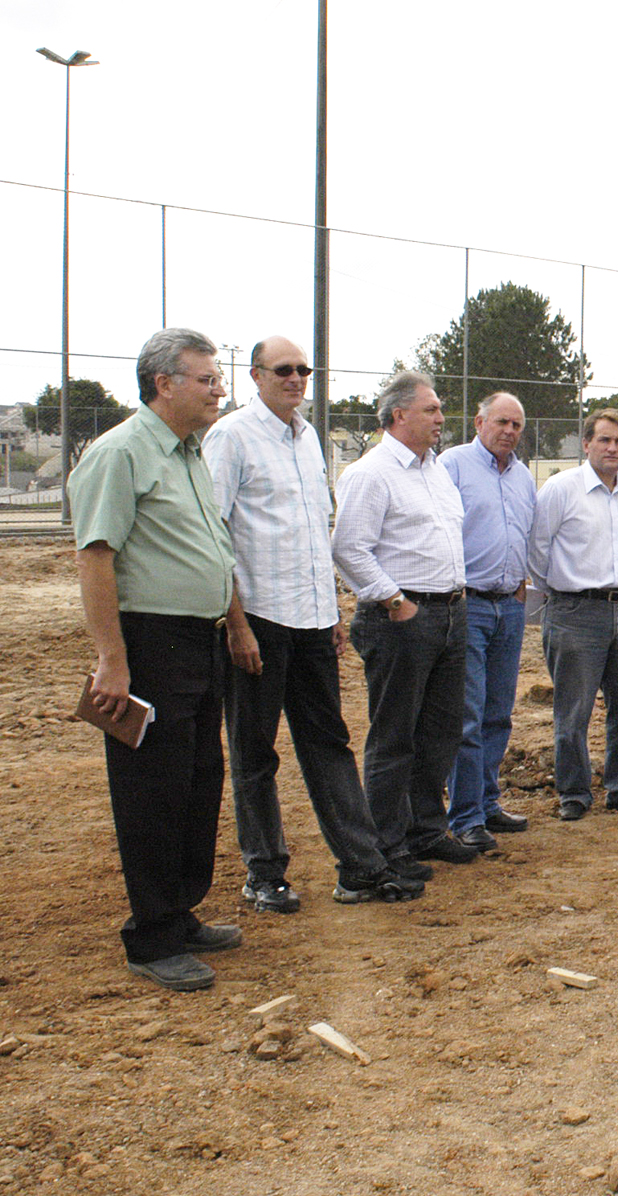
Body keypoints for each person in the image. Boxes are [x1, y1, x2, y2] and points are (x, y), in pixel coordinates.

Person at [205, 336, 422, 910]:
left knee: (329, 744)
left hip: (311, 621)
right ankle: (264, 873)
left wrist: (330, 611)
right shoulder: (231, 437)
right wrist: (236, 625)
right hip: (258, 620)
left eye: (303, 369)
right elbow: (214, 535)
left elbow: (311, 534)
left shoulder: (307, 439)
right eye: (284, 369)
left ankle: (360, 868)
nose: (296, 378)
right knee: (255, 753)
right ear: (256, 375)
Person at [70, 328, 242, 991]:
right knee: (153, 790)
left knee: (199, 779)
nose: (218, 389)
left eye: (218, 378)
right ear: (163, 384)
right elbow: (96, 557)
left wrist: (233, 625)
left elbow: (211, 548)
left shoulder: (190, 453)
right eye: (207, 378)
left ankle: (179, 911)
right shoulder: (120, 454)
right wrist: (112, 660)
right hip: (150, 645)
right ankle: (152, 936)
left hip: (200, 641)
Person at [331, 370, 478, 879]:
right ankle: (388, 845)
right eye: (431, 409)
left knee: (440, 732)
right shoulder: (371, 474)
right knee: (395, 736)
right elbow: (349, 548)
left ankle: (427, 831)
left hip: (450, 614)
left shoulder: (435, 470)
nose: (441, 418)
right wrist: (394, 600)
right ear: (399, 415)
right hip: (401, 619)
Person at [528, 408, 618, 820]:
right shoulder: (560, 489)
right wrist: (563, 591)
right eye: (604, 440)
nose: (612, 448)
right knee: (574, 710)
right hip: (574, 613)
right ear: (586, 444)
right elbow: (537, 550)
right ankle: (573, 792)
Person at [439, 393, 536, 852]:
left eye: (516, 425)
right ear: (479, 422)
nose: (509, 431)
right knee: (468, 715)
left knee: (498, 712)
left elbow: (526, 534)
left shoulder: (522, 476)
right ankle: (466, 816)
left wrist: (520, 586)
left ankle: (487, 801)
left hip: (509, 606)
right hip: (469, 605)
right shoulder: (452, 466)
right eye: (501, 422)